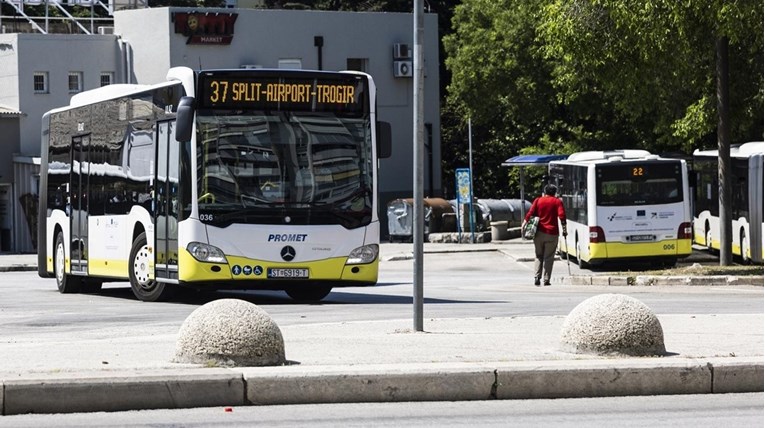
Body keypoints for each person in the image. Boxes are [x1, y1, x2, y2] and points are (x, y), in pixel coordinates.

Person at [522, 184, 567, 286]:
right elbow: (562, 216)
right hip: (552, 233)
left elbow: (530, 212)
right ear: (555, 192)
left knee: (538, 255)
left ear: (545, 191)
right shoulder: (557, 201)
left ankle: (537, 277)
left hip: (538, 233)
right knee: (549, 257)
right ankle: (546, 279)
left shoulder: (538, 200)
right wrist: (564, 230)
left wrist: (524, 223)